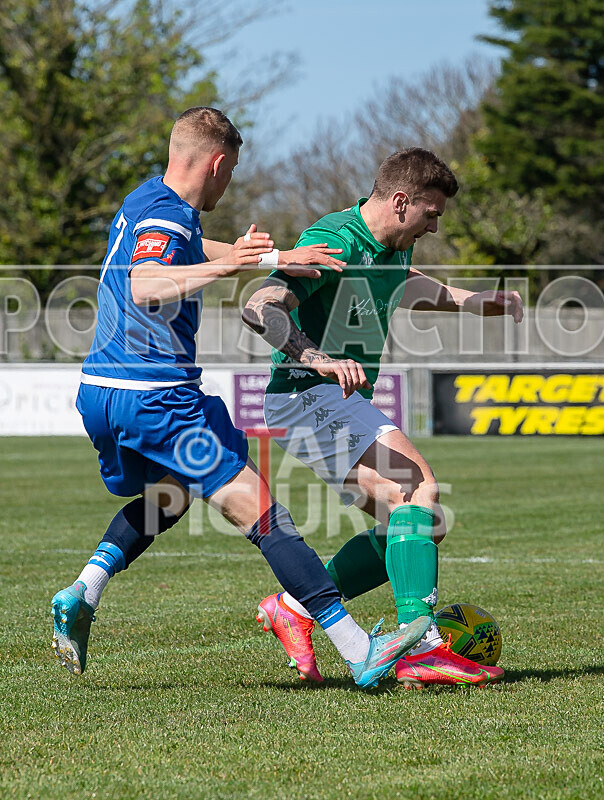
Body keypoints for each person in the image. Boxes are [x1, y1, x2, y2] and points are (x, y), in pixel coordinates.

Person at [50, 109, 431, 689]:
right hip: (159, 400)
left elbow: (184, 246)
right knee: (267, 518)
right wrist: (232, 263)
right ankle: (360, 651)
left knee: (171, 496)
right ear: (218, 162)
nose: (227, 187)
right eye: (230, 175)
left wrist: (274, 260)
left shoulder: (142, 200)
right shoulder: (167, 213)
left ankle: (84, 590)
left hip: (102, 393)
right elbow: (147, 284)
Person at [243, 147, 523, 688]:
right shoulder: (335, 240)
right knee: (417, 491)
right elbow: (261, 306)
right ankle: (421, 644)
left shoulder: (388, 248)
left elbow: (409, 283)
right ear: (401, 201)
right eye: (432, 214)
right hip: (307, 394)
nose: (435, 227)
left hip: (326, 402)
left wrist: (477, 301)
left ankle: (295, 609)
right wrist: (318, 358)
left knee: (418, 522)